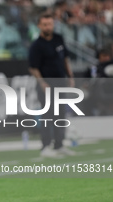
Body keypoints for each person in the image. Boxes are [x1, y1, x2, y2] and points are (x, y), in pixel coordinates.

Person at [28, 12, 75, 157]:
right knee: (47, 115)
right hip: (47, 84)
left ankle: (59, 145)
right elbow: (33, 67)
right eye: (45, 24)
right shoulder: (37, 45)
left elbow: (65, 59)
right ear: (39, 26)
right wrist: (41, 82)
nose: (48, 27)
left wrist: (70, 76)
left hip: (60, 81)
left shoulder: (58, 39)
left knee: (60, 115)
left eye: (50, 23)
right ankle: (45, 146)